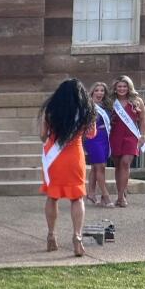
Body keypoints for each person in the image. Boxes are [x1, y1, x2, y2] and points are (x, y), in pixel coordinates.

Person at [39, 79, 97, 257]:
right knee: (77, 198)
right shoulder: (86, 111)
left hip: (54, 159)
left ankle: (51, 236)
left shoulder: (51, 110)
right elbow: (92, 134)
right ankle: (77, 237)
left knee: (52, 196)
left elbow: (43, 136)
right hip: (74, 157)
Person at [109, 74, 145, 207]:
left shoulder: (137, 101)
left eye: (124, 86)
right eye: (119, 86)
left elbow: (143, 120)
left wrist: (143, 136)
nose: (122, 89)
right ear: (115, 88)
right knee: (118, 165)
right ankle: (121, 192)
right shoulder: (110, 101)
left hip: (131, 136)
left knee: (125, 163)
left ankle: (121, 197)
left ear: (129, 87)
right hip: (115, 135)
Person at [84, 81, 113, 207]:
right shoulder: (87, 106)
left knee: (97, 167)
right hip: (92, 138)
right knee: (100, 166)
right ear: (92, 92)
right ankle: (105, 196)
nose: (100, 93)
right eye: (97, 90)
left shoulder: (106, 106)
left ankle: (91, 193)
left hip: (104, 138)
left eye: (102, 90)